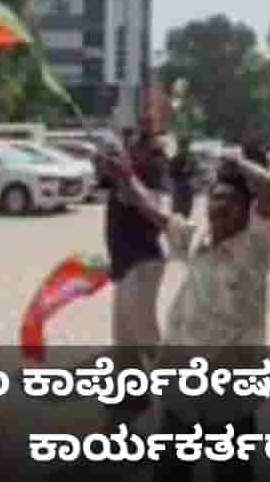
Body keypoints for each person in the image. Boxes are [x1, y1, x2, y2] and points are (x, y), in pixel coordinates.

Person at [102, 141, 270, 482]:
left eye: (232, 201)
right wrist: (126, 175)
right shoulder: (198, 239)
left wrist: (237, 160)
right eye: (216, 198)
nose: (221, 206)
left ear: (248, 211)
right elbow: (148, 208)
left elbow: (269, 185)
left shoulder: (255, 248)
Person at [102, 116, 169, 408]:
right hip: (124, 263)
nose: (134, 148)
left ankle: (179, 394)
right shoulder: (124, 175)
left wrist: (129, 181)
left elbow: (156, 213)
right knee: (123, 337)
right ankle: (132, 393)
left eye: (143, 143)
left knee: (145, 333)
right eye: (133, 142)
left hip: (143, 262)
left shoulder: (153, 174)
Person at [167, 134, 198, 217]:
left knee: (184, 209)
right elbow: (171, 173)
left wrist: (189, 169)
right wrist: (183, 171)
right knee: (179, 209)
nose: (186, 148)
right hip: (180, 184)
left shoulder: (190, 158)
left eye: (187, 145)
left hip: (185, 184)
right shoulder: (176, 158)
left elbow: (194, 171)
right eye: (184, 145)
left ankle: (184, 217)